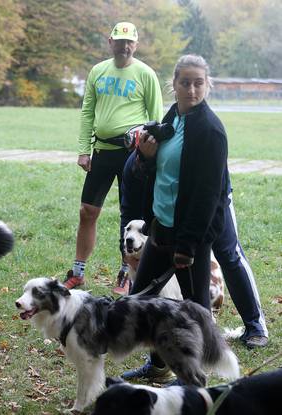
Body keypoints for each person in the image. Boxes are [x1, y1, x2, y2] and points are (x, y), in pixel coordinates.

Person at [122, 54, 236, 383]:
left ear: (207, 85)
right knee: (142, 297)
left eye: (198, 83)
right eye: (184, 82)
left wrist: (187, 246)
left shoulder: (210, 131)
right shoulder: (172, 120)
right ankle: (159, 366)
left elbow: (206, 195)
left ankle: (196, 376)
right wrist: (144, 158)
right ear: (173, 84)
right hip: (160, 228)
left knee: (195, 309)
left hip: (190, 237)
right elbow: (156, 173)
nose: (191, 89)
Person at [121, 149, 268, 349]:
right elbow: (128, 212)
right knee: (156, 267)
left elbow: (210, 184)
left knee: (228, 253)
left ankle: (255, 326)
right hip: (172, 210)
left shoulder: (192, 143)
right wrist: (126, 254)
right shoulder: (133, 167)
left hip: (214, 199)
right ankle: (151, 344)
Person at [64, 22, 163, 291]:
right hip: (102, 151)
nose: (125, 46)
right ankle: (78, 270)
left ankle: (126, 273)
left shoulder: (145, 74)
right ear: (110, 42)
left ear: (136, 43)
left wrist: (153, 157)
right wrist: (84, 149)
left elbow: (156, 120)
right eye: (120, 41)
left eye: (130, 41)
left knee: (131, 216)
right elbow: (87, 112)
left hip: (133, 155)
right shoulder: (98, 71)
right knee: (87, 211)